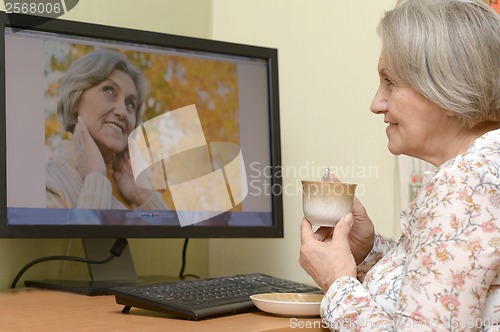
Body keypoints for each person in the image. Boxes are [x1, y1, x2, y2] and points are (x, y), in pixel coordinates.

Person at [299, 0, 500, 330]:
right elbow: (436, 283)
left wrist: (336, 282)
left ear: (446, 86)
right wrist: (367, 248)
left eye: (390, 82)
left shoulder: (466, 186)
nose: (376, 104)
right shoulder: (481, 175)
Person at [46, 49, 168, 213]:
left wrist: (143, 195)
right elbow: (78, 239)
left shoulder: (133, 191)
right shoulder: (47, 181)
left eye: (130, 104)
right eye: (109, 91)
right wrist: (96, 178)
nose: (122, 112)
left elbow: (176, 240)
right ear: (75, 100)